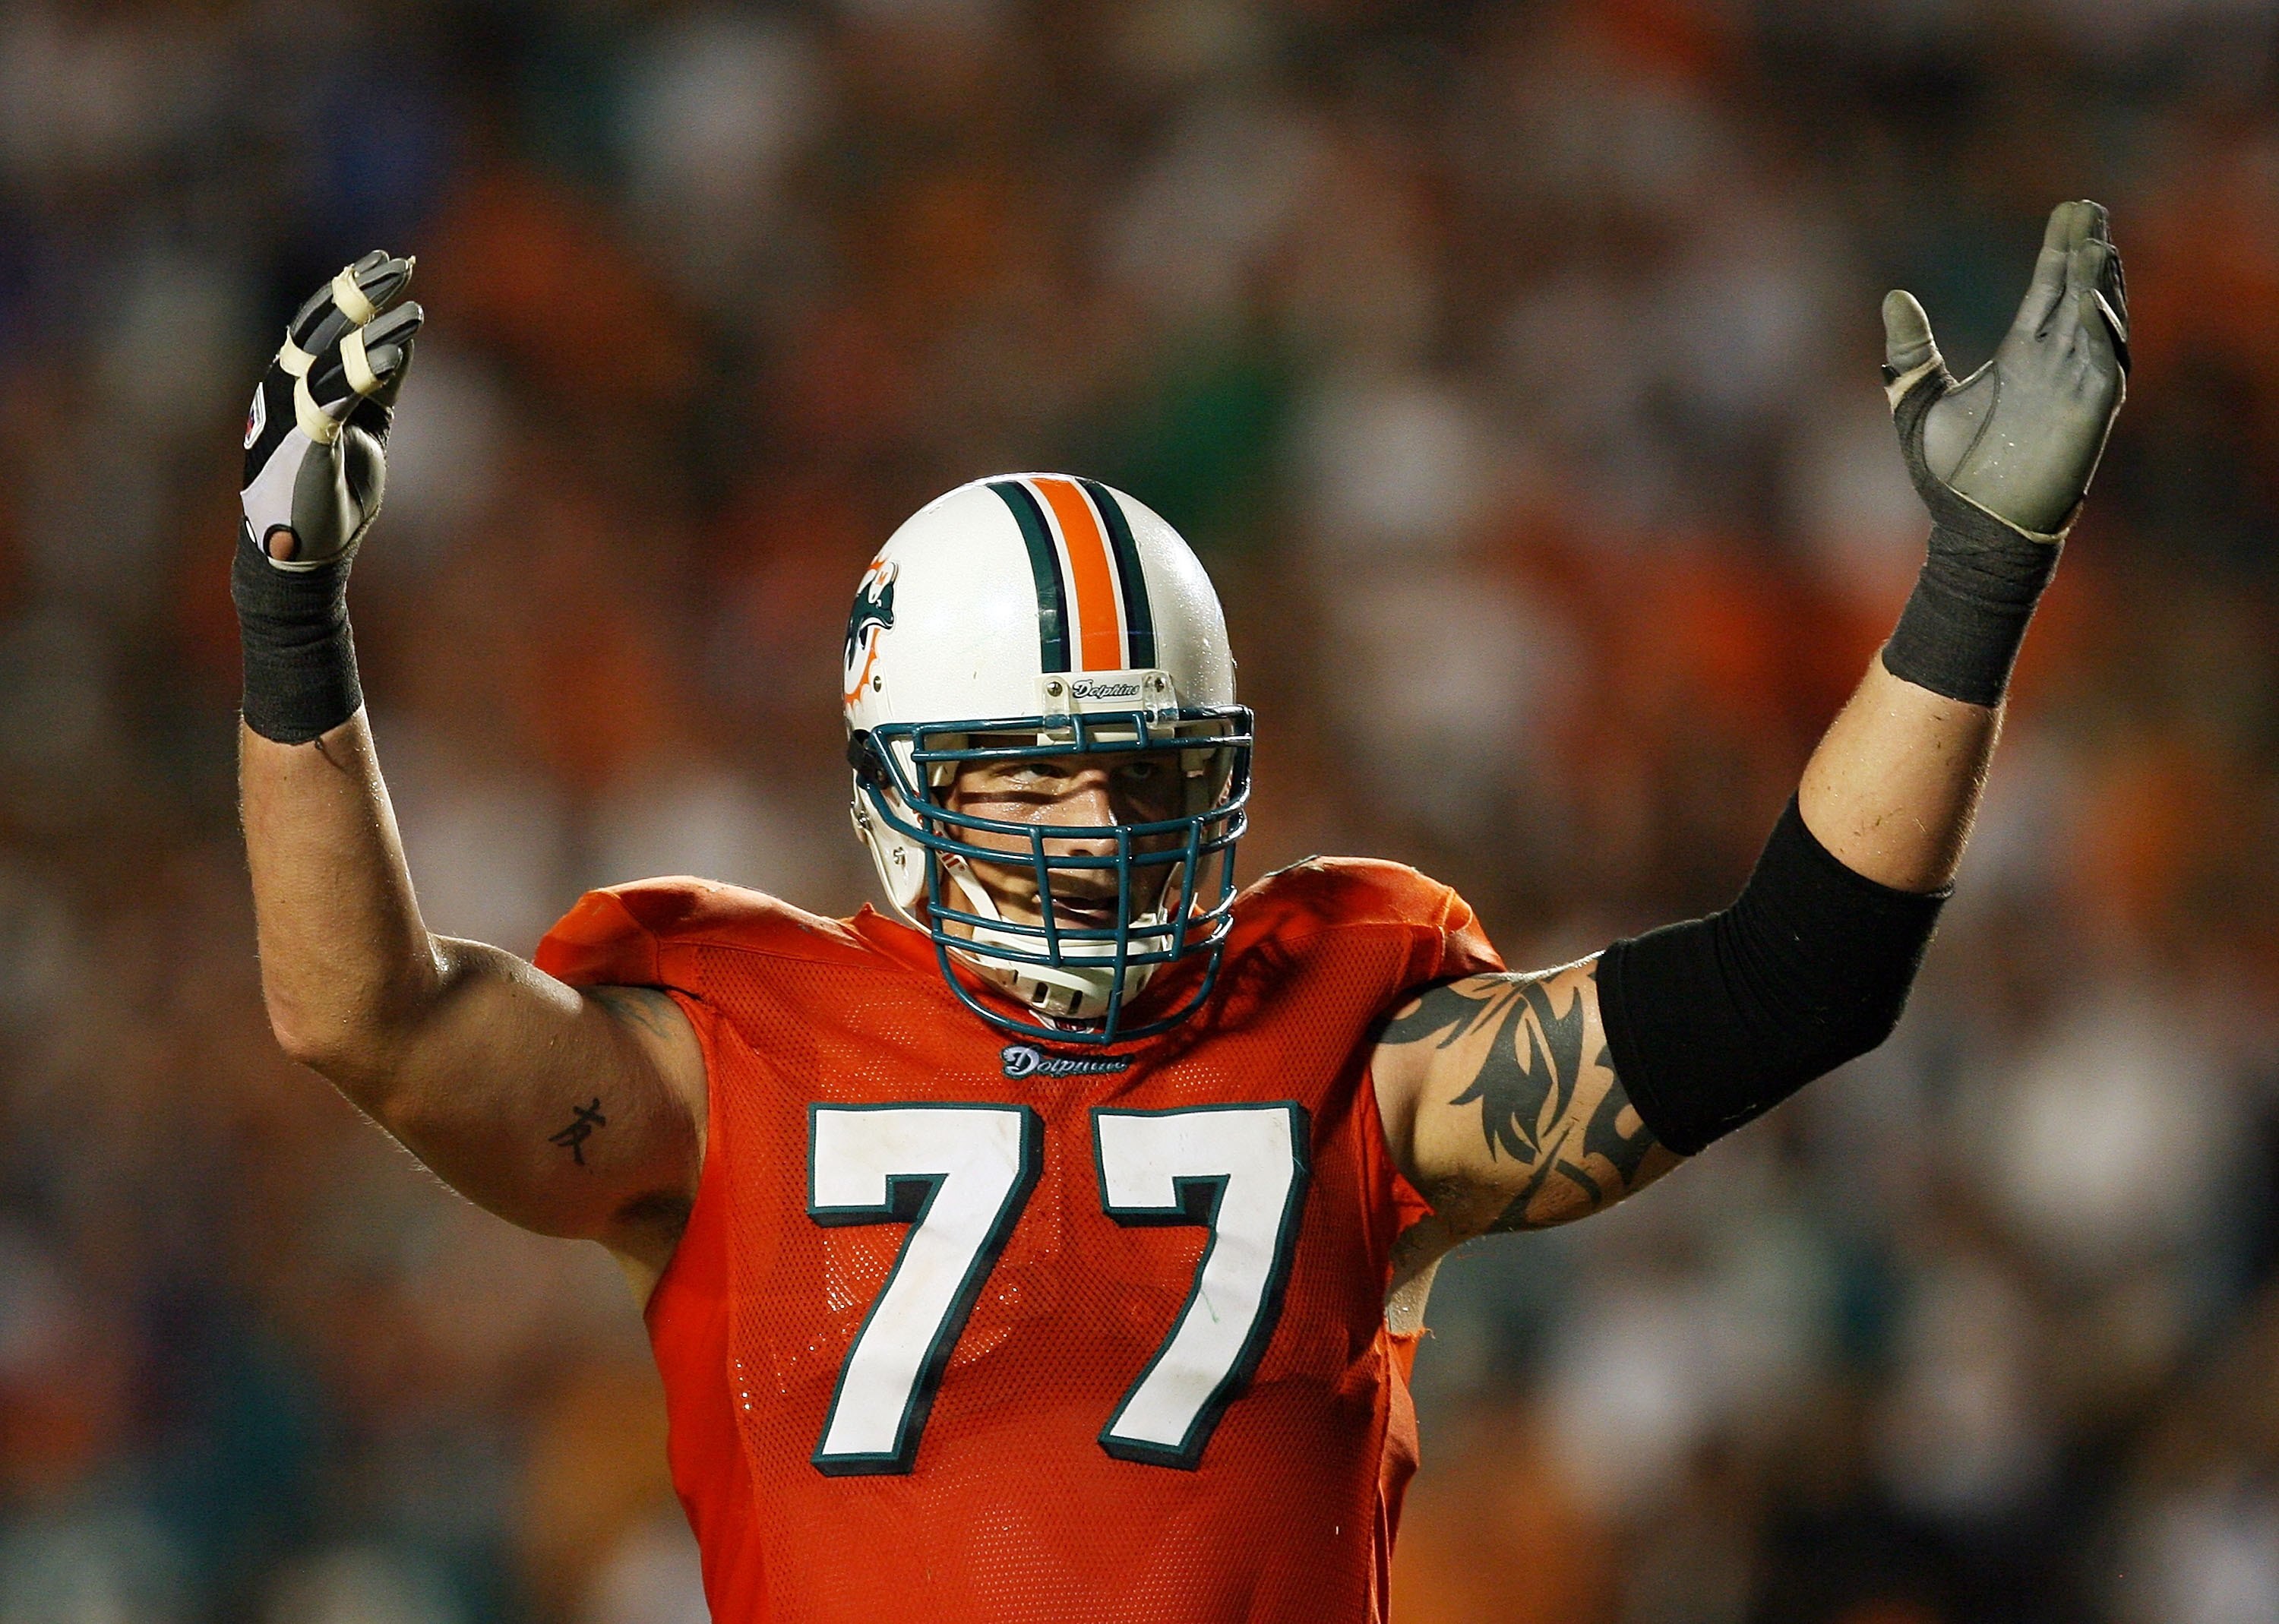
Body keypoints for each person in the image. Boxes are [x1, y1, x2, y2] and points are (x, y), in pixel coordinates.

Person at [232, 204, 2127, 1620]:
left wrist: (1978, 574)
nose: (1094, 825)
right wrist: (291, 616)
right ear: (896, 792)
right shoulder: (733, 1067)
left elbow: (1795, 981)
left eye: (1142, 773)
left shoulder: (1352, 1056)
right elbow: (361, 1015)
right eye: (1025, 775)